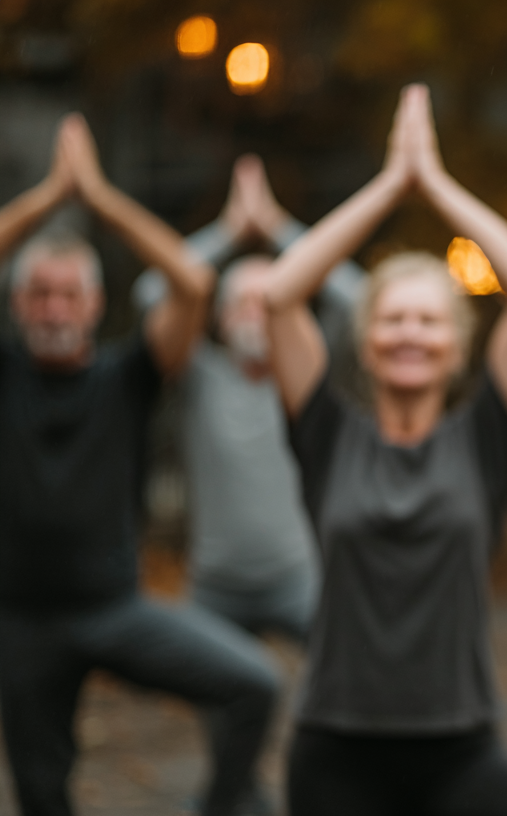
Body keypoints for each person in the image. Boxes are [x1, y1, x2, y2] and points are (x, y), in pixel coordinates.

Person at [264, 84, 507, 816]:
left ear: (458, 345)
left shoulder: (485, 435)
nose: (409, 333)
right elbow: (278, 296)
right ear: (365, 340)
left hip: (459, 746)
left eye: (430, 320)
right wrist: (390, 186)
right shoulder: (328, 433)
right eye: (392, 318)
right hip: (336, 747)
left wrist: (438, 185)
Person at [0, 116, 278, 816]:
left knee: (255, 685)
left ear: (96, 305)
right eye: (39, 293)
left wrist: (97, 198)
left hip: (116, 606)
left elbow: (188, 281)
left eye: (69, 294)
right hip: (21, 621)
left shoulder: (127, 376)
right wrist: (46, 197)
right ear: (16, 304)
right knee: (41, 794)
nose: (54, 308)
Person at [132, 154, 364, 643]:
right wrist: (229, 233)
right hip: (213, 588)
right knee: (226, 707)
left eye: (269, 304)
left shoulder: (309, 374)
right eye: (242, 304)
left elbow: (360, 300)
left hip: (301, 581)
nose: (257, 317)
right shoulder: (197, 374)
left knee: (341, 680)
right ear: (218, 318)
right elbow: (150, 292)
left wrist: (280, 229)